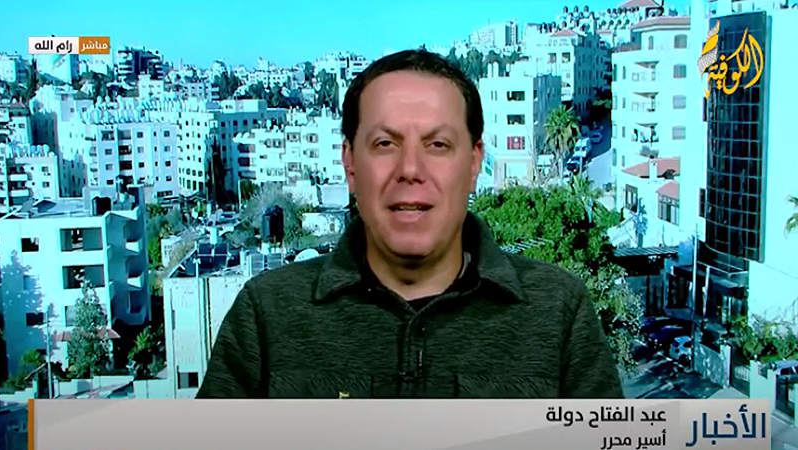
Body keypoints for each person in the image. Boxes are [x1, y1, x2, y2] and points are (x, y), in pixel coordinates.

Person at [196, 49, 623, 399]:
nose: (411, 170)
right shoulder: (267, 314)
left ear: (474, 162)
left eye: (438, 144)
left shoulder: (557, 311)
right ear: (349, 162)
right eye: (385, 144)